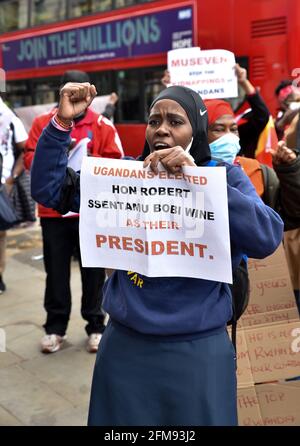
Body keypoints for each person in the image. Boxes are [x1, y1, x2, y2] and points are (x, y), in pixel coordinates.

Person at [30, 83, 283, 426]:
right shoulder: (125, 177)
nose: (161, 128)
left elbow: (266, 237)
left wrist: (199, 180)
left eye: (175, 121)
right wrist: (62, 124)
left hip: (198, 355)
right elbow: (48, 189)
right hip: (125, 351)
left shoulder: (224, 177)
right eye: (154, 120)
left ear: (196, 128)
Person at [24, 70, 124, 354]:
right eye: (73, 92)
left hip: (88, 214)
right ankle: (55, 328)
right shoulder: (45, 123)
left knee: (92, 273)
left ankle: (95, 326)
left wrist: (90, 162)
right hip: (53, 214)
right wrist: (56, 153)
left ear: (90, 95)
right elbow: (30, 157)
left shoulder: (103, 125)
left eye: (84, 93)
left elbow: (116, 164)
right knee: (55, 272)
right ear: (63, 92)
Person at [204, 98, 300, 311]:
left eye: (234, 129)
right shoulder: (185, 175)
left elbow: (291, 215)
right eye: (219, 129)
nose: (229, 137)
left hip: (262, 283)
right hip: (212, 288)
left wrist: (289, 171)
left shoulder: (257, 171)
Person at [0, 94, 28, 294]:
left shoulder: (11, 120)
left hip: (2, 185)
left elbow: (25, 151)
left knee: (0, 235)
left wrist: (11, 179)